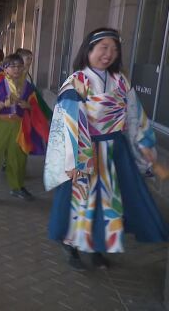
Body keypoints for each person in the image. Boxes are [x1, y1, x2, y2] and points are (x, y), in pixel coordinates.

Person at [44, 28, 169, 270]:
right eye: (103, 47)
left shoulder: (121, 81)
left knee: (110, 202)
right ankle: (72, 248)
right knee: (80, 201)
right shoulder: (76, 82)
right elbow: (68, 123)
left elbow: (134, 116)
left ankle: (98, 247)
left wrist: (143, 144)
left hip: (114, 151)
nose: (109, 54)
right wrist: (72, 161)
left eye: (114, 49)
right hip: (84, 152)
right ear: (88, 50)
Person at [0, 53, 50, 204]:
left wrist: (27, 106)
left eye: (19, 66)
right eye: (12, 66)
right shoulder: (0, 85)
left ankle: (17, 187)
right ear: (5, 69)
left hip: (19, 126)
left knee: (19, 158)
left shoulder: (28, 87)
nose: (16, 69)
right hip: (1, 125)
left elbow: (35, 106)